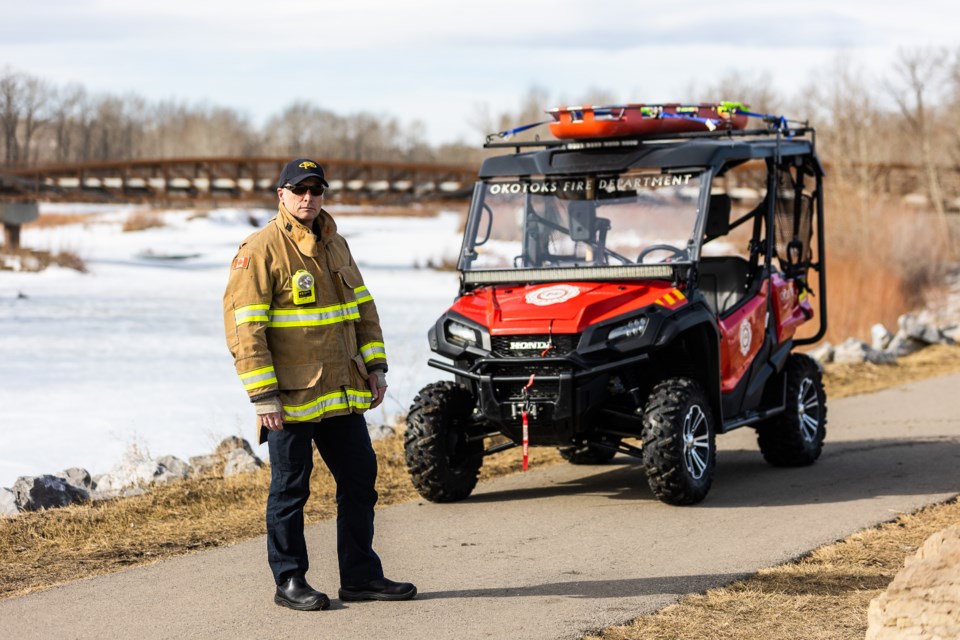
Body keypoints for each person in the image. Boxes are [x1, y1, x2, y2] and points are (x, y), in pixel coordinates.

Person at [223, 158, 416, 611]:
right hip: (289, 400)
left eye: (316, 190)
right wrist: (262, 396)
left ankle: (361, 576)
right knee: (291, 491)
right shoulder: (260, 249)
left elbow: (363, 311)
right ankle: (289, 580)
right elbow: (245, 330)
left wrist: (375, 367)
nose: (308, 198)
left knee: (360, 480)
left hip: (342, 392)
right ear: (282, 194)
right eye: (299, 190)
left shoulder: (336, 244)